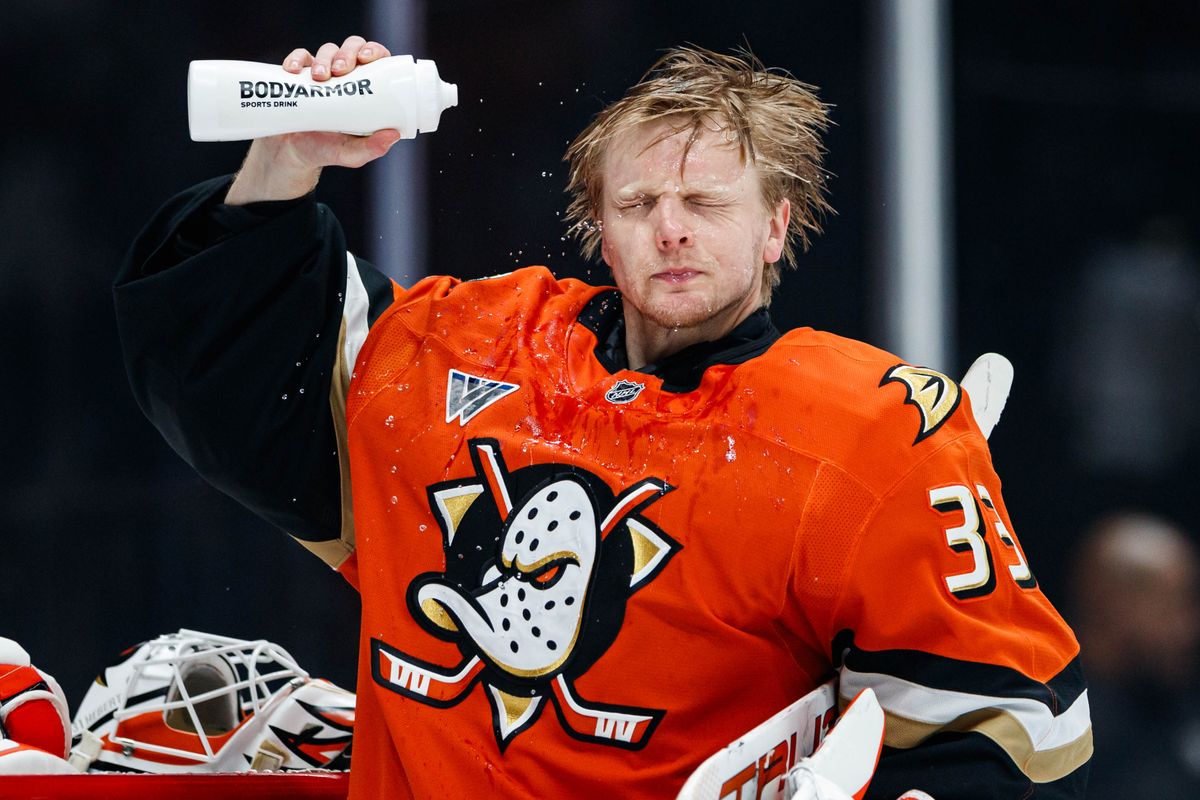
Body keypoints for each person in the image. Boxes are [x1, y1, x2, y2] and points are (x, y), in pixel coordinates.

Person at [114, 36, 1091, 799]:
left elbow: (1004, 731)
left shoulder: (870, 434)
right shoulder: (454, 348)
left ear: (777, 226)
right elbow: (211, 374)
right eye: (639, 200)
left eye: (705, 201)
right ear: (598, 222)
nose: (670, 227)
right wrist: (285, 164)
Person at [1069, 513, 1200, 799]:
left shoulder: (1174, 708)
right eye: (1172, 606)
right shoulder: (1060, 729)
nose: (1189, 627)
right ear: (1113, 603)